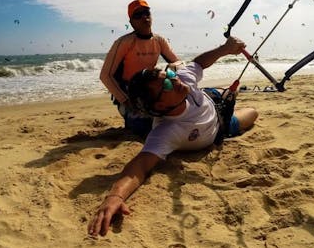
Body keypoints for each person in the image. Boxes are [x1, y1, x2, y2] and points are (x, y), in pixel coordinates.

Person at [88, 36, 258, 237]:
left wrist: (225, 48)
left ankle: (220, 95)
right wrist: (115, 196)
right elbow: (140, 166)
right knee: (252, 112)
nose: (173, 80)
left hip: (210, 101)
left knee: (244, 106)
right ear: (159, 106)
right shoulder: (166, 131)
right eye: (166, 86)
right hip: (222, 126)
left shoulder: (181, 80)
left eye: (168, 74)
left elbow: (198, 63)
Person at [100, 0, 180, 136]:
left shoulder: (159, 41)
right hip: (129, 94)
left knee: (174, 119)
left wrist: (173, 68)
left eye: (146, 12)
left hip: (151, 91)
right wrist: (126, 101)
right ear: (131, 22)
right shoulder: (124, 42)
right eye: (138, 15)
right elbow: (105, 76)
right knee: (144, 128)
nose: (144, 17)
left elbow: (179, 63)